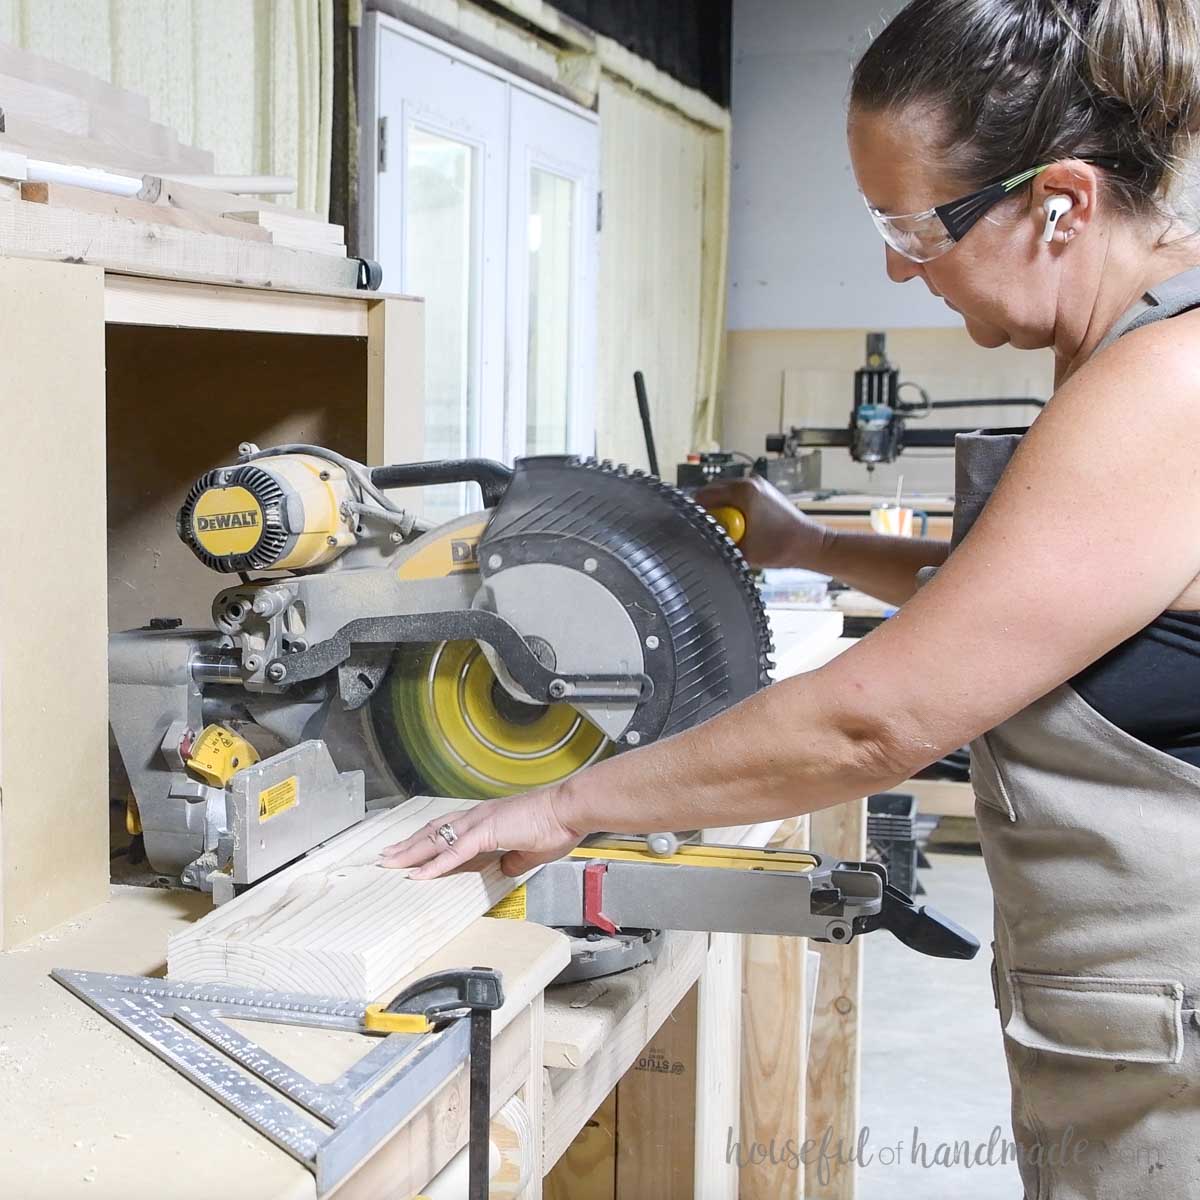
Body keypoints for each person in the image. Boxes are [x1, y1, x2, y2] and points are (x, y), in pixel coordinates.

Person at [381, 1, 1200, 1193]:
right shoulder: (1137, 354)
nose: (890, 263)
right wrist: (808, 544)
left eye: (912, 224)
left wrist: (567, 806)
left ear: (1060, 201)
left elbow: (877, 720)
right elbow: (1037, 606)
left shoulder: (1162, 386)